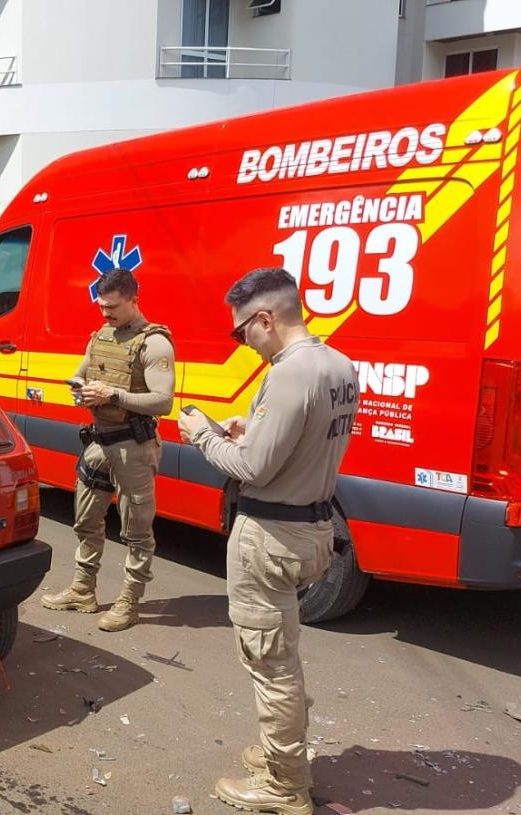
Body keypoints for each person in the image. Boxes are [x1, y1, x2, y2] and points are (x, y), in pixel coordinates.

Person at [177, 267, 357, 815]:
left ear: (265, 319)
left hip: (272, 533)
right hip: (314, 527)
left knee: (270, 661)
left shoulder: (289, 374)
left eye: (241, 332)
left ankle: (285, 785)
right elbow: (290, 441)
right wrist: (244, 427)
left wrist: (204, 434)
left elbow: (253, 467)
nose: (242, 343)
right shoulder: (338, 364)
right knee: (283, 651)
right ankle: (284, 755)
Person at [40, 268, 174, 633]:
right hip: (99, 441)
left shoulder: (155, 343)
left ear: (134, 299)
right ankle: (83, 591)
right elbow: (81, 372)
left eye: (112, 307)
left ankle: (129, 602)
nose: (105, 313)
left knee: (136, 530)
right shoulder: (101, 335)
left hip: (134, 446)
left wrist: (112, 395)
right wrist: (79, 385)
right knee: (85, 518)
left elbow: (163, 401)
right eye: (101, 306)